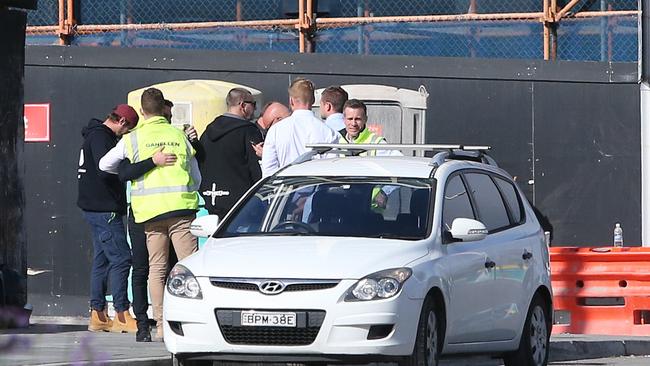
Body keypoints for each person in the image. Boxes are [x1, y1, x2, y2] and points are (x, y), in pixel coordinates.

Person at [99, 88, 200, 341]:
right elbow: (196, 177)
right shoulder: (179, 135)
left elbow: (105, 165)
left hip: (149, 214)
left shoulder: (133, 139)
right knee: (190, 267)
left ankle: (161, 326)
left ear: (142, 112)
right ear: (164, 110)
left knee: (156, 269)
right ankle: (192, 323)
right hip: (181, 210)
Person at [77, 104, 139, 334]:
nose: (127, 133)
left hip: (93, 206)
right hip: (104, 208)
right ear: (122, 122)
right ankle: (122, 314)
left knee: (103, 259)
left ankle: (98, 314)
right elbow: (106, 168)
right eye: (129, 128)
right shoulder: (102, 139)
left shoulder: (93, 135)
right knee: (122, 258)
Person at [198, 88, 263, 218]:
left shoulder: (207, 132)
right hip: (241, 204)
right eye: (253, 104)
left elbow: (200, 163)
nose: (255, 109)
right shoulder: (248, 131)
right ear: (243, 105)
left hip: (211, 199)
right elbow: (256, 168)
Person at [261, 78, 339, 177]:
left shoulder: (276, 130)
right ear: (313, 100)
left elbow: (268, 171)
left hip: (285, 188)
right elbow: (331, 170)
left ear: (291, 101)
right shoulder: (328, 132)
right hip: (316, 188)